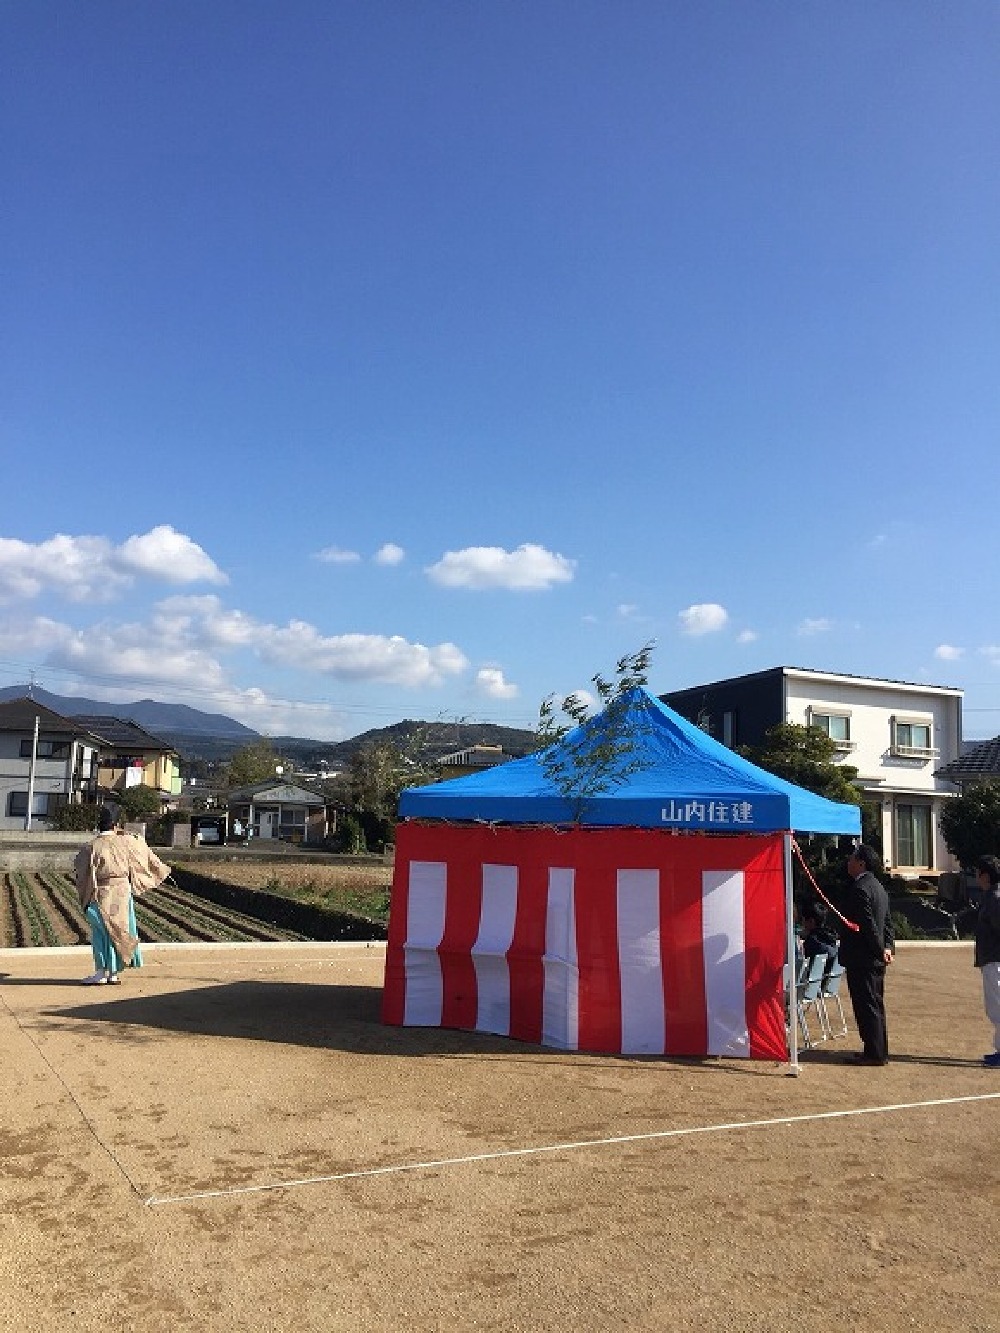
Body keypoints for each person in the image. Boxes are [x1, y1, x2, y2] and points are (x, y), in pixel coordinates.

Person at [74, 804, 170, 986]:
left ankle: (101, 972)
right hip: (122, 893)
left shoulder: (90, 847)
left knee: (102, 933)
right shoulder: (128, 842)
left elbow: (81, 873)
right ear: (116, 825)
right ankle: (113, 974)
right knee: (120, 930)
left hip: (100, 893)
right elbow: (143, 850)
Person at [836, 843, 894, 1065]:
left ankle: (875, 1053)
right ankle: (876, 1048)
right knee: (875, 1004)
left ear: (861, 863)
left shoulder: (861, 889)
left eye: (852, 859)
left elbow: (868, 926)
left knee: (867, 1005)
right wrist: (888, 948)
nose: (848, 863)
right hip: (874, 957)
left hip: (863, 958)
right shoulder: (878, 887)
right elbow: (887, 923)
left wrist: (881, 950)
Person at [956, 854, 1000, 1068]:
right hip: (991, 960)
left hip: (995, 961)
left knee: (997, 1007)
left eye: (977, 873)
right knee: (995, 1007)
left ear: (985, 875)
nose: (976, 878)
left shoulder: (995, 898)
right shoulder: (991, 897)